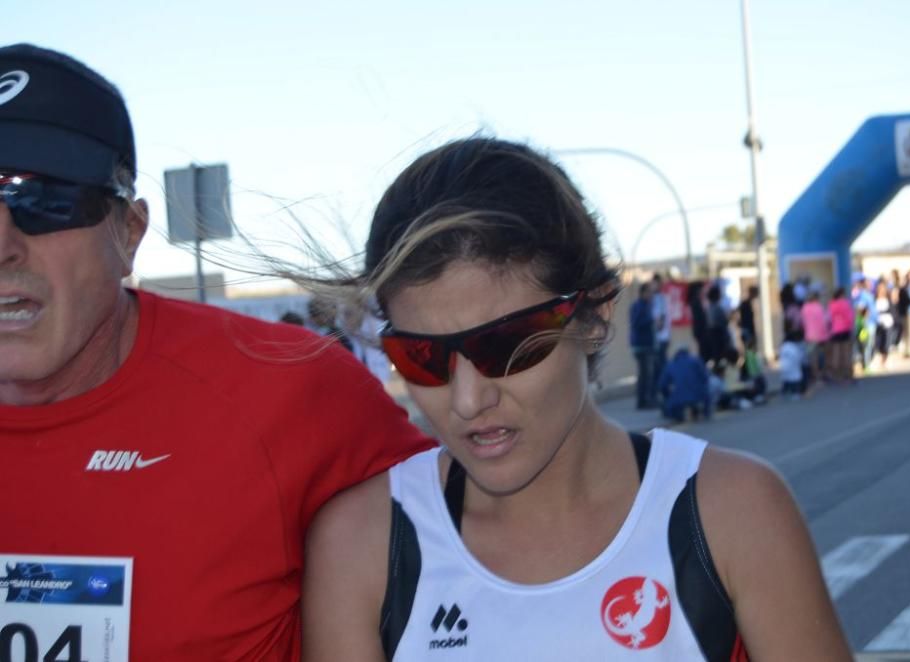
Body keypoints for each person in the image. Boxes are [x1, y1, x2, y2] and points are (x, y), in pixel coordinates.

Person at [301, 137, 851, 660]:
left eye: (507, 346)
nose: (468, 399)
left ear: (594, 316)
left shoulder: (733, 511)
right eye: (422, 355)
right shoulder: (362, 548)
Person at [0, 43, 432, 660]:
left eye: (40, 199)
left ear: (128, 234)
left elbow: (493, 542)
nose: (3, 245)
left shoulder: (289, 391)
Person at [658, 346, 712, 423]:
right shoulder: (696, 360)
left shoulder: (670, 364)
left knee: (672, 407)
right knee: (707, 391)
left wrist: (668, 396)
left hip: (679, 396)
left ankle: (678, 414)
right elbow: (705, 378)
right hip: (699, 394)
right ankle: (704, 412)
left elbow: (662, 385)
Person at [629, 281, 657, 409]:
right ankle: (642, 401)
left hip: (646, 344)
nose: (651, 295)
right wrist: (651, 320)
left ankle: (646, 399)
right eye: (649, 292)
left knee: (647, 374)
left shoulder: (646, 305)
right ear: (643, 293)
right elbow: (636, 323)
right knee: (644, 374)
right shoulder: (638, 306)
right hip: (641, 345)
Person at [649, 272, 672, 392]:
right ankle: (658, 391)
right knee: (657, 366)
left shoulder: (662, 298)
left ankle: (663, 390)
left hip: (661, 338)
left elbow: (662, 320)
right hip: (655, 339)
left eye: (657, 283)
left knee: (661, 366)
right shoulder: (651, 299)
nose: (654, 286)